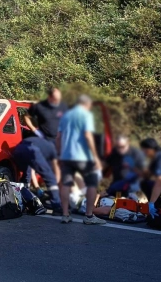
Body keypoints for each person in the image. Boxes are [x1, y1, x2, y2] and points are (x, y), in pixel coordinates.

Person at [56, 94, 105, 224]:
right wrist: (95, 157)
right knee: (92, 184)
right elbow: (88, 136)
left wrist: (60, 154)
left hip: (66, 156)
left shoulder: (65, 116)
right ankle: (89, 216)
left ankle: (65, 215)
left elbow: (59, 137)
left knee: (66, 184)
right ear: (86, 104)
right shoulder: (86, 115)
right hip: (83, 156)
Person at [12, 134, 61, 210]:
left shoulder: (42, 143)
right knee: (50, 178)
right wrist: (57, 188)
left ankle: (24, 200)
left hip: (17, 150)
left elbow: (32, 171)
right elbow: (56, 173)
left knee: (26, 177)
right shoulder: (53, 149)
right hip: (31, 150)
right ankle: (57, 206)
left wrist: (37, 188)